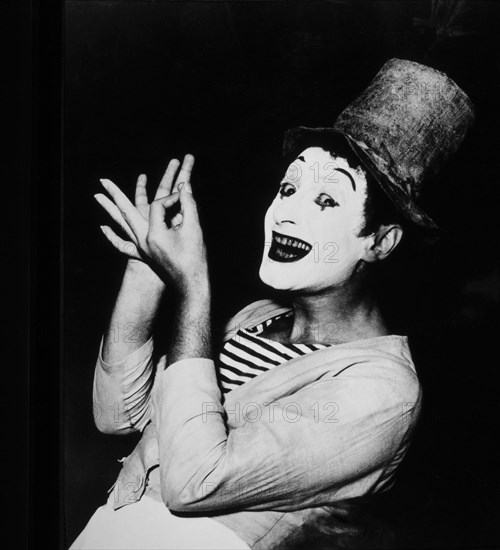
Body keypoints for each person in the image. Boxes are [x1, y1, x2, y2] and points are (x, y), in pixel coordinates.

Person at [70, 59, 475, 549]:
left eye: (326, 201)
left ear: (381, 241)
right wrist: (147, 269)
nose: (287, 212)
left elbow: (194, 483)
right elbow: (117, 414)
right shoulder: (255, 320)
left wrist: (193, 290)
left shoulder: (385, 392)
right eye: (288, 188)